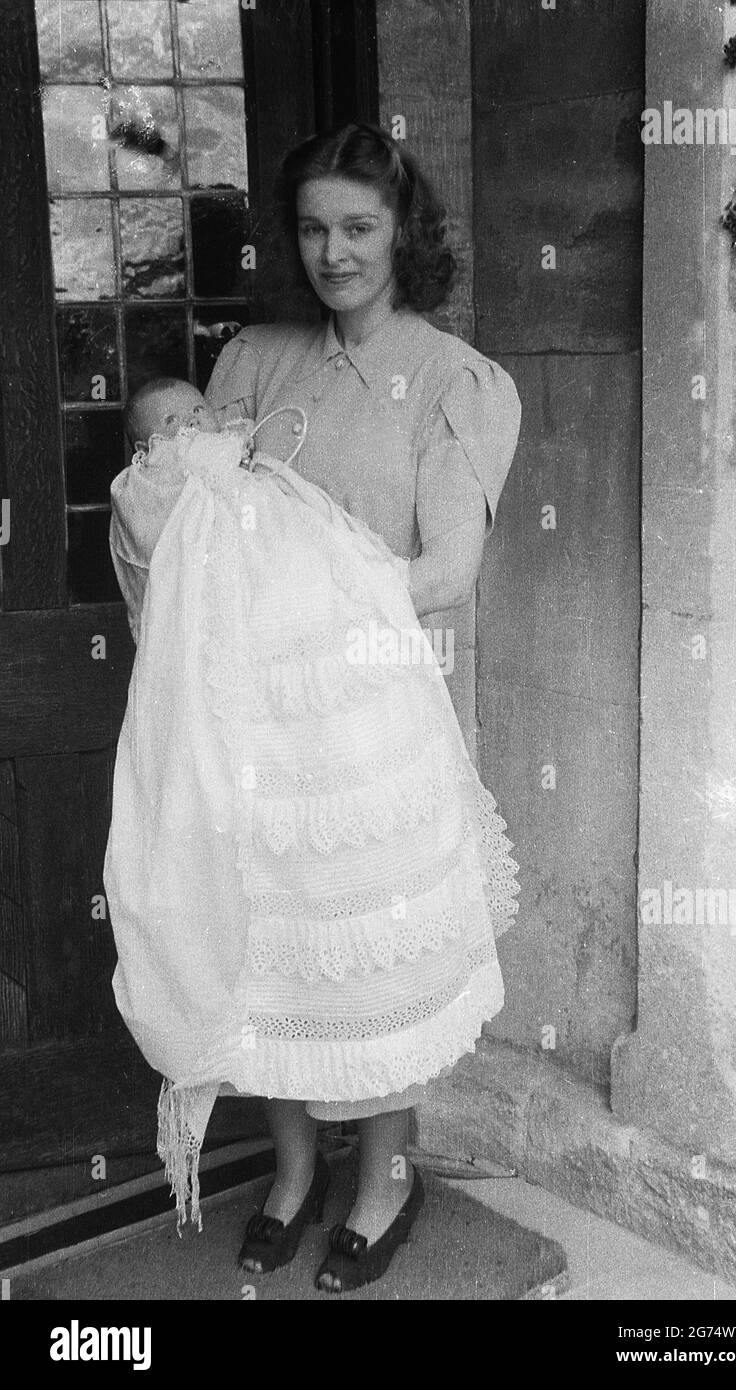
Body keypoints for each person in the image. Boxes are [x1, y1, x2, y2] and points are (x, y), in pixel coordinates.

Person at [107, 120, 522, 1295]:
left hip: (379, 734)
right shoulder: (248, 365)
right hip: (258, 737)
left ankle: (386, 1174)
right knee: (274, 953)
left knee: (370, 957)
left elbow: (446, 568)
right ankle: (291, 1168)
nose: (335, 252)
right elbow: (184, 533)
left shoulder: (453, 381)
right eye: (313, 228)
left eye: (360, 226)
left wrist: (320, 614)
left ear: (405, 233)